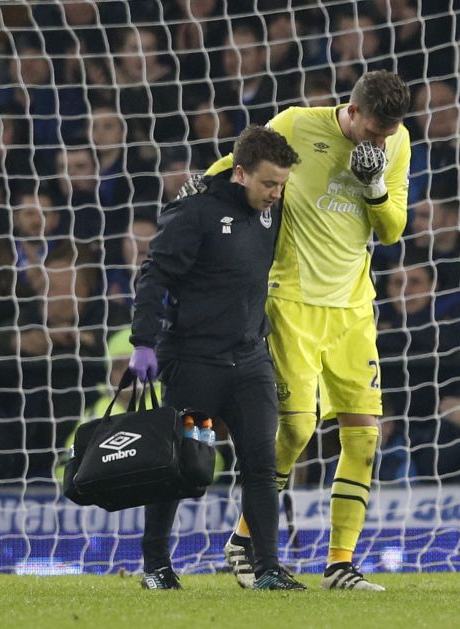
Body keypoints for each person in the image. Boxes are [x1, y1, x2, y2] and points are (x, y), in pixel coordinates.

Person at [205, 69, 411, 591]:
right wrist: (199, 197)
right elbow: (238, 168)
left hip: (353, 309)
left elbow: (390, 232)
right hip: (292, 302)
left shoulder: (396, 143)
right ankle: (245, 538)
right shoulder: (297, 125)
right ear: (354, 110)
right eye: (373, 131)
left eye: (389, 133)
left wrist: (375, 186)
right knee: (296, 429)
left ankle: (340, 564)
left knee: (364, 437)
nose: (380, 141)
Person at [127, 126, 304, 591]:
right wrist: (143, 342)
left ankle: (267, 568)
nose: (276, 193)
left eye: (281, 184)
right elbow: (154, 276)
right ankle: (155, 566)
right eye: (268, 183)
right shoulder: (195, 211)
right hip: (195, 365)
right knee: (185, 468)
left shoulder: (272, 208)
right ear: (240, 173)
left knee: (261, 465)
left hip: (248, 362)